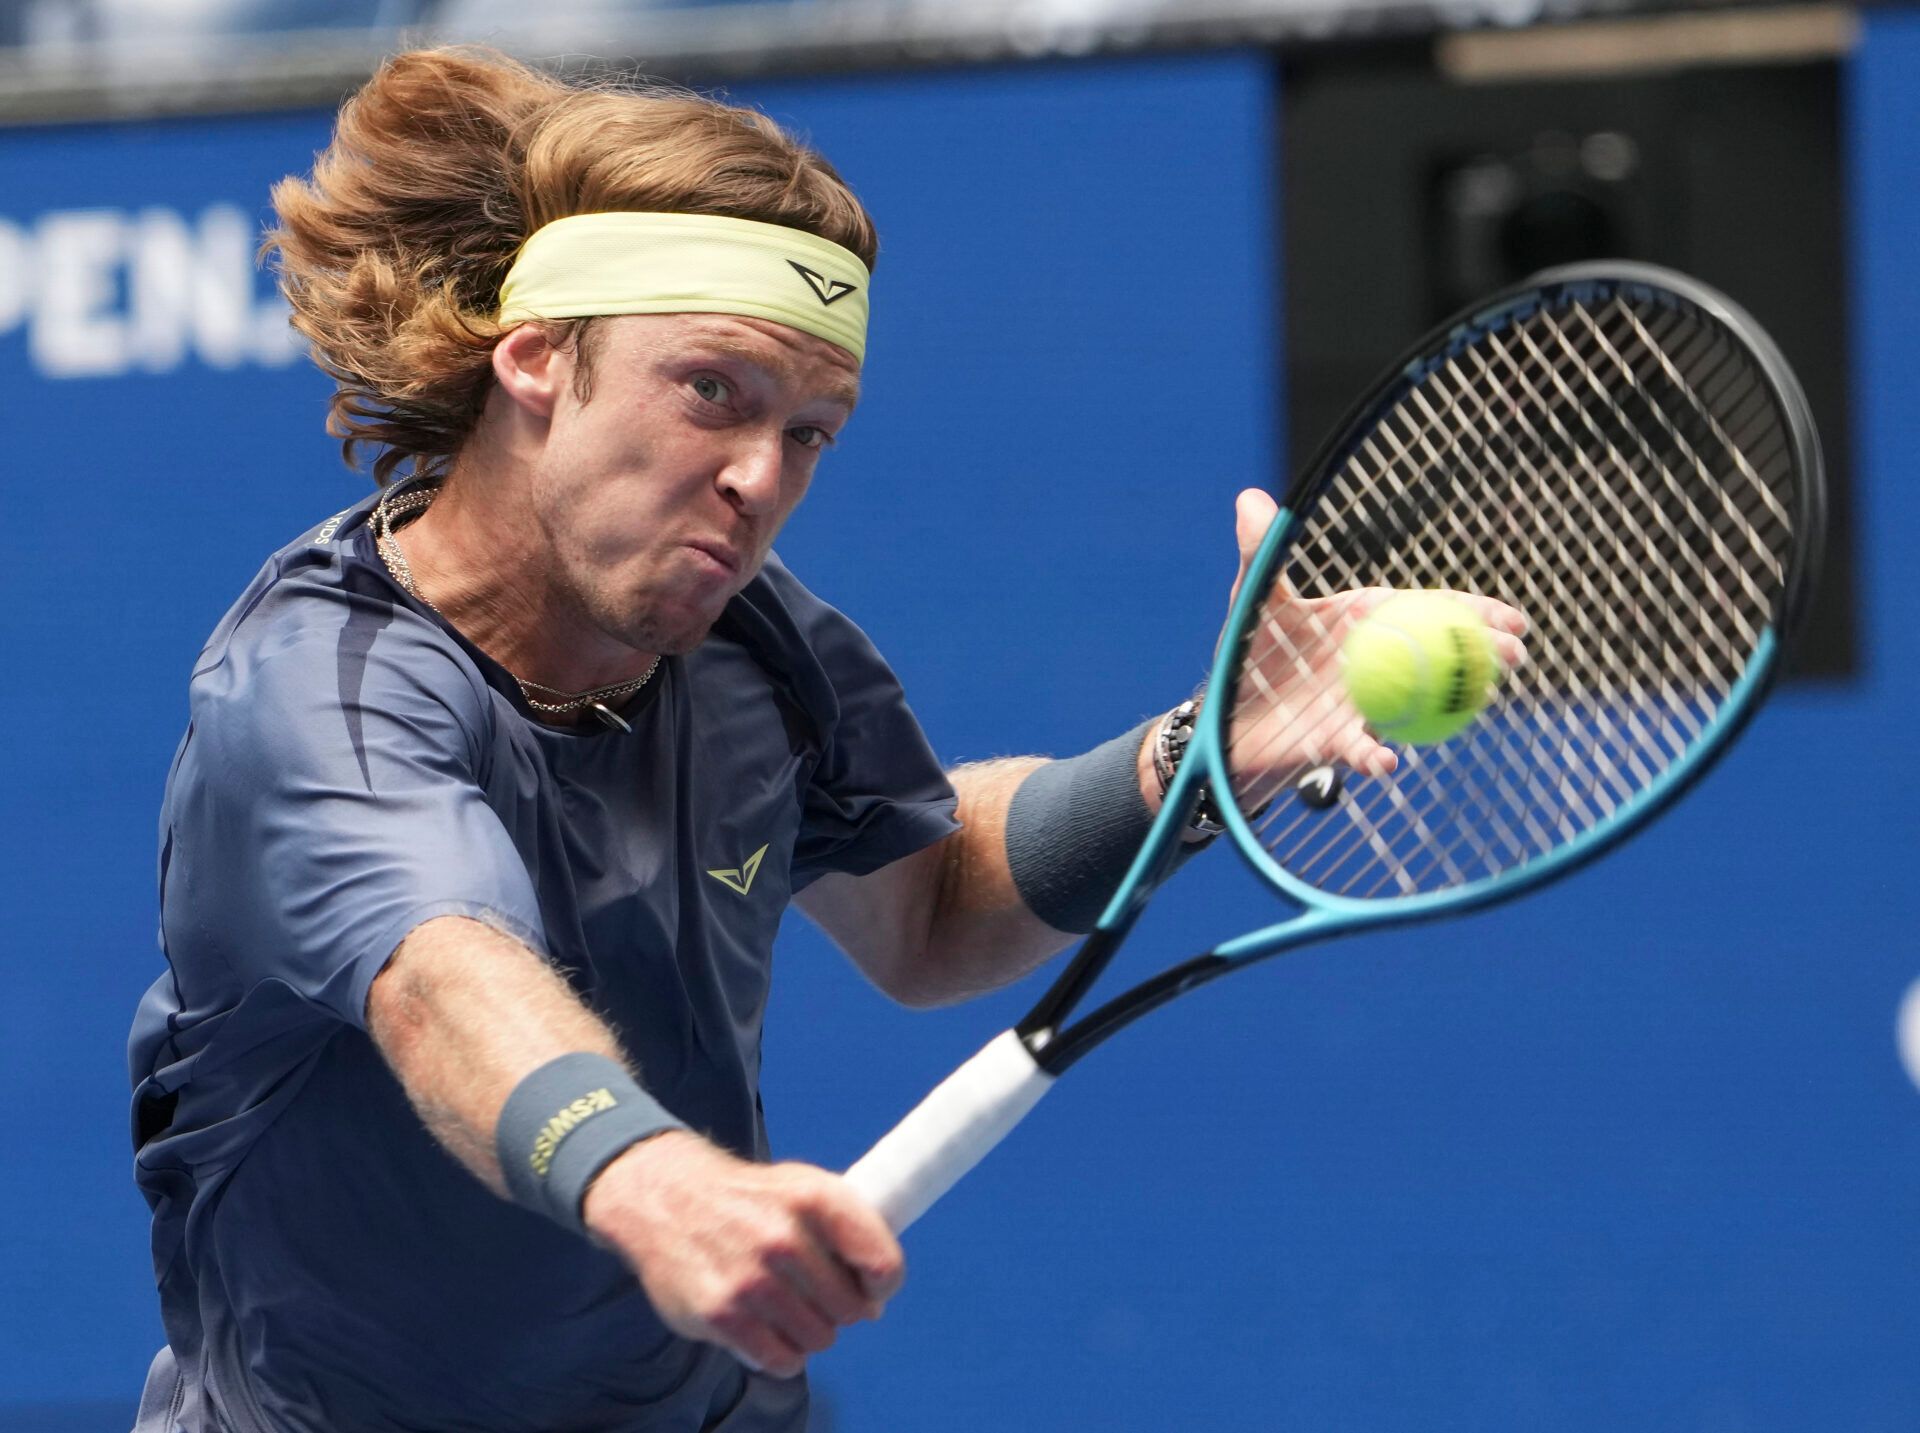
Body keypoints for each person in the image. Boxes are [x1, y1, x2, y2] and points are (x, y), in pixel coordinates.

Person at [127, 46, 1522, 1433]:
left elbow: (929, 906)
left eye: (811, 431)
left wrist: (1199, 750)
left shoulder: (757, 642)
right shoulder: (321, 688)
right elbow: (439, 984)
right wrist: (655, 1181)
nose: (759, 476)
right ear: (540, 360)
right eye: (713, 391)